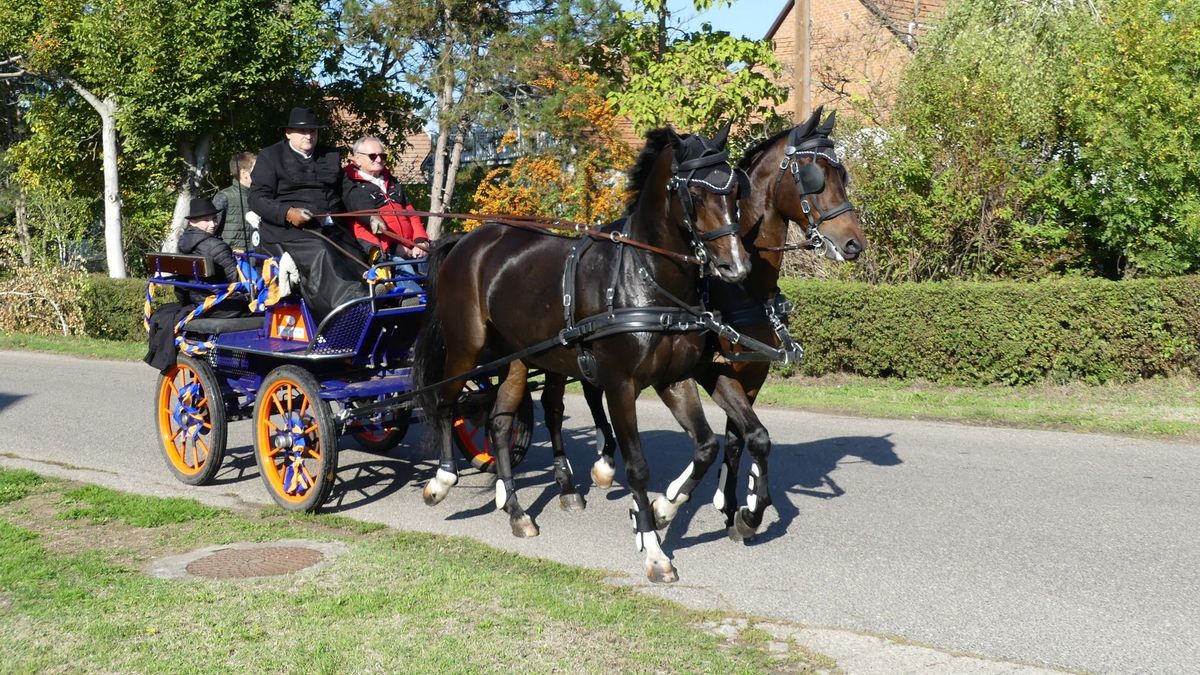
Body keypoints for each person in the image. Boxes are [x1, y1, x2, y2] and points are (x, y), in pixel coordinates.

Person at [248, 106, 367, 322]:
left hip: (331, 228)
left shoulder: (330, 155)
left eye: (313, 131)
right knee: (320, 253)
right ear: (288, 133)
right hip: (289, 231)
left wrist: (371, 217)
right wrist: (287, 212)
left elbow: (348, 192)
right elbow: (256, 198)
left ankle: (375, 297)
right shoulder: (270, 156)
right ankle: (348, 310)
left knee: (356, 254)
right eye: (302, 131)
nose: (309, 136)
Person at [175, 196, 250, 318]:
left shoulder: (182, 243)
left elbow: (180, 284)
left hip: (196, 303)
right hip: (220, 305)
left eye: (214, 218)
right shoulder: (216, 246)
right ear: (192, 222)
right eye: (206, 220)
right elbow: (238, 281)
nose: (213, 224)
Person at [213, 151, 257, 251]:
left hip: (258, 259)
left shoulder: (261, 197)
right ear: (244, 173)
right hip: (232, 261)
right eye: (256, 169)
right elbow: (210, 232)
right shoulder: (224, 197)